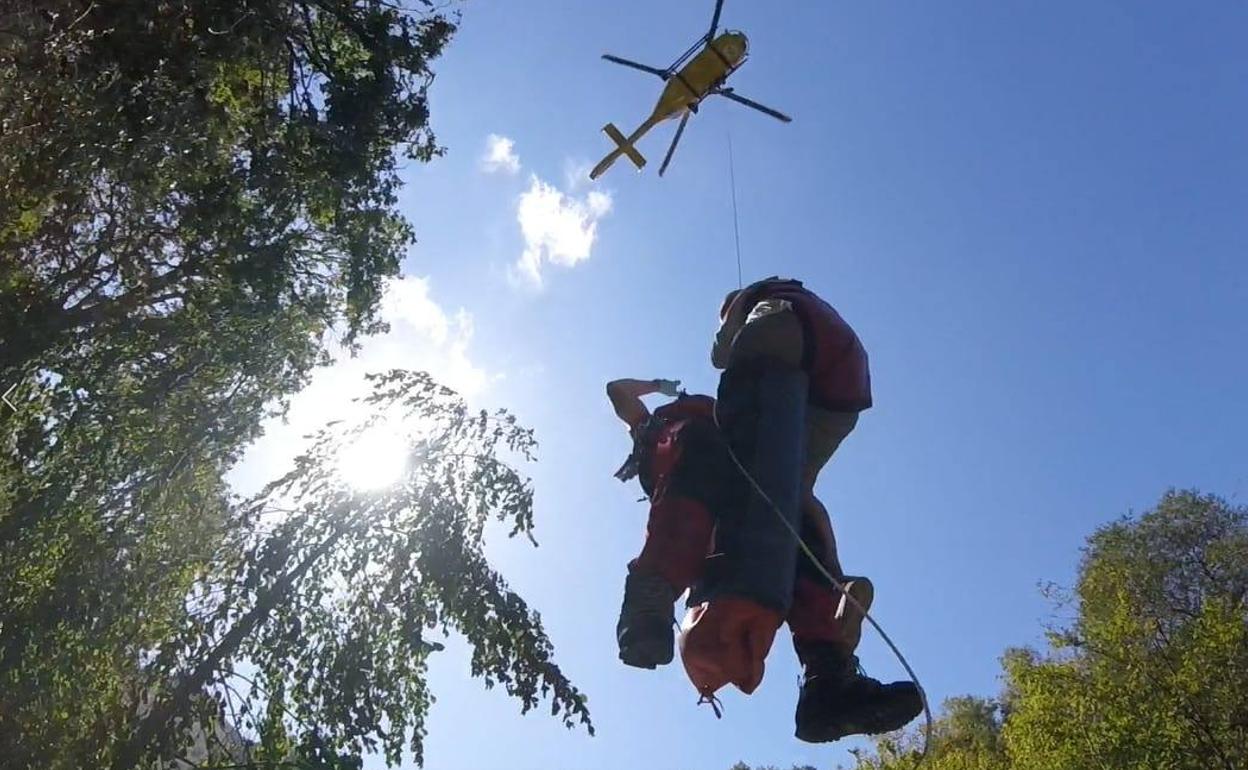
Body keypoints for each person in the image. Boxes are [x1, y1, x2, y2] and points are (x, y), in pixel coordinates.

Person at [607, 375, 903, 742]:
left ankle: (828, 680)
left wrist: (831, 567)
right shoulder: (663, 426)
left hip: (739, 480)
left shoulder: (738, 437)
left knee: (788, 516)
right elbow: (617, 390)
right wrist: (657, 386)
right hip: (689, 464)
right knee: (700, 457)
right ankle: (647, 604)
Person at [707, 276, 923, 741]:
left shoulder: (755, 302)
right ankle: (828, 671)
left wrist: (726, 331)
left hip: (790, 340)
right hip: (842, 384)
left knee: (750, 480)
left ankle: (825, 662)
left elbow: (722, 354)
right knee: (791, 496)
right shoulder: (805, 298)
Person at [606, 377, 728, 669]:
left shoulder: (653, 433)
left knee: (656, 576)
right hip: (718, 504)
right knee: (657, 576)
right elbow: (616, 390)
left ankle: (648, 631)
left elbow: (617, 391)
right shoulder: (717, 430)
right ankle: (649, 632)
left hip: (688, 514)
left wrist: (659, 386)